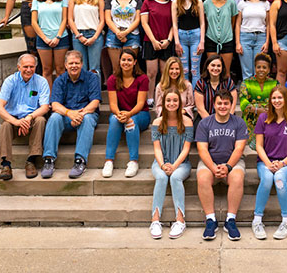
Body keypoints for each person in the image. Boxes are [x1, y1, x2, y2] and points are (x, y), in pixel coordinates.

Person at [195, 89, 248, 241]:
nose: (223, 106)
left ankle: (230, 220)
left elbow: (239, 148)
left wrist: (228, 167)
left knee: (237, 178)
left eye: (226, 103)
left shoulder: (238, 122)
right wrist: (213, 168)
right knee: (203, 177)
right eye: (219, 103)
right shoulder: (205, 123)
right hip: (210, 162)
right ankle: (211, 220)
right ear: (214, 104)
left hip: (232, 163)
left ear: (231, 105)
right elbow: (202, 149)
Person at [41, 50, 101, 179]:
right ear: (66, 65)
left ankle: (80, 161)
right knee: (54, 117)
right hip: (67, 116)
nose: (74, 66)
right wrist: (70, 114)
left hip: (86, 114)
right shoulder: (60, 80)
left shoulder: (91, 78)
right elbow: (55, 105)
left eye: (77, 63)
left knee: (88, 119)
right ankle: (49, 159)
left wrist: (79, 115)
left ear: (82, 64)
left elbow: (95, 102)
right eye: (71, 63)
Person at [252, 85, 287, 240]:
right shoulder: (263, 118)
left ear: (286, 99)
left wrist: (281, 164)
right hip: (265, 162)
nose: (277, 100)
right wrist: (268, 163)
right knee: (267, 179)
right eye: (274, 98)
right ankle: (257, 220)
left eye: (280, 97)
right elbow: (259, 145)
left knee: (279, 179)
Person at [0, 54, 49, 181]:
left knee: (41, 120)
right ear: (19, 67)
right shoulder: (10, 81)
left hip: (32, 119)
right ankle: (6, 165)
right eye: (25, 66)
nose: (29, 70)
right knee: (5, 125)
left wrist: (29, 118)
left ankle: (31, 161)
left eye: (32, 66)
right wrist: (16, 122)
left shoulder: (41, 81)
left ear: (36, 67)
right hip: (14, 119)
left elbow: (45, 107)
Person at [150, 87, 194, 239]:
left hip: (181, 163)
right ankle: (155, 220)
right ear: (163, 102)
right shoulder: (157, 122)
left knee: (175, 177)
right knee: (162, 177)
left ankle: (180, 220)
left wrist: (174, 166)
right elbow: (157, 149)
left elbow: (186, 149)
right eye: (168, 100)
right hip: (161, 162)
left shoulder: (187, 122)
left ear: (180, 103)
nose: (171, 103)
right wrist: (163, 165)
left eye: (175, 100)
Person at [102, 48, 150, 179]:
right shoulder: (113, 79)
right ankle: (109, 161)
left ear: (135, 62)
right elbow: (112, 105)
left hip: (141, 114)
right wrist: (119, 114)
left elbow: (140, 104)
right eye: (123, 60)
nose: (126, 62)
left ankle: (133, 161)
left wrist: (128, 115)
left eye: (129, 60)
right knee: (113, 120)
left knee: (131, 121)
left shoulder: (142, 78)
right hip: (120, 114)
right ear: (119, 61)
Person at [31, 0, 70, 89]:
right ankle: (48, 98)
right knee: (46, 70)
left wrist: (57, 36)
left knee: (60, 69)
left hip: (60, 38)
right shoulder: (36, 0)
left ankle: (60, 96)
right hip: (43, 39)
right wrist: (45, 38)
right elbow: (34, 22)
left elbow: (64, 19)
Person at [141, 0, 175, 104]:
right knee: (151, 73)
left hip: (166, 42)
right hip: (151, 42)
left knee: (165, 72)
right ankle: (150, 98)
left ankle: (164, 98)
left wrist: (169, 40)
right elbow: (145, 23)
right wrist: (154, 41)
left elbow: (174, 24)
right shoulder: (147, 3)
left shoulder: (172, 4)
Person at [172, 0, 205, 88]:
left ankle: (196, 96)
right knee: (184, 70)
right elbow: (175, 24)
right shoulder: (176, 2)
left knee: (195, 70)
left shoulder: (198, 2)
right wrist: (176, 42)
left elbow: (202, 23)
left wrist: (202, 41)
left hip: (195, 36)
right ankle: (186, 97)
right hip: (181, 37)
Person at [68, 0, 105, 74]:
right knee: (80, 67)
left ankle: (95, 90)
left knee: (94, 68)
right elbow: (70, 19)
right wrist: (78, 36)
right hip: (78, 35)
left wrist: (95, 37)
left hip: (94, 35)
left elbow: (102, 20)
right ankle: (82, 90)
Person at [235, 0, 270, 80]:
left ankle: (258, 95)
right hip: (245, 37)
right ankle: (246, 95)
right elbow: (237, 24)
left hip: (261, 37)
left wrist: (267, 42)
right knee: (247, 71)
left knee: (259, 70)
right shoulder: (242, 3)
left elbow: (268, 24)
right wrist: (238, 43)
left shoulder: (266, 4)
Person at [240, 53, 277, 150]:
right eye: (258, 67)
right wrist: (257, 110)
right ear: (255, 68)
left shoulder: (274, 83)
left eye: (264, 67)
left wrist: (268, 111)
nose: (261, 70)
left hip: (269, 116)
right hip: (251, 117)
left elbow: (279, 99)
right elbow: (243, 102)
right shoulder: (247, 83)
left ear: (268, 70)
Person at [105, 0, 142, 71]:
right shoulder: (110, 0)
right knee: (116, 69)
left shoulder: (137, 0)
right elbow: (108, 19)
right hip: (113, 35)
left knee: (129, 68)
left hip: (132, 35)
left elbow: (137, 20)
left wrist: (125, 33)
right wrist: (118, 33)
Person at [203, 0, 238, 75]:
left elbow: (233, 21)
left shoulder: (231, 3)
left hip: (227, 40)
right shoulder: (206, 3)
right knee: (212, 71)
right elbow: (205, 22)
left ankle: (227, 90)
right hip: (211, 39)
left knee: (226, 71)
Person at [194, 54, 237, 119]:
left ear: (222, 68)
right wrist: (213, 123)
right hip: (206, 118)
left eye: (218, 66)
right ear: (207, 67)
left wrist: (225, 121)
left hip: (227, 118)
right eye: (213, 65)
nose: (216, 68)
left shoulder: (228, 82)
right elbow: (200, 109)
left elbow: (233, 106)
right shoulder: (201, 83)